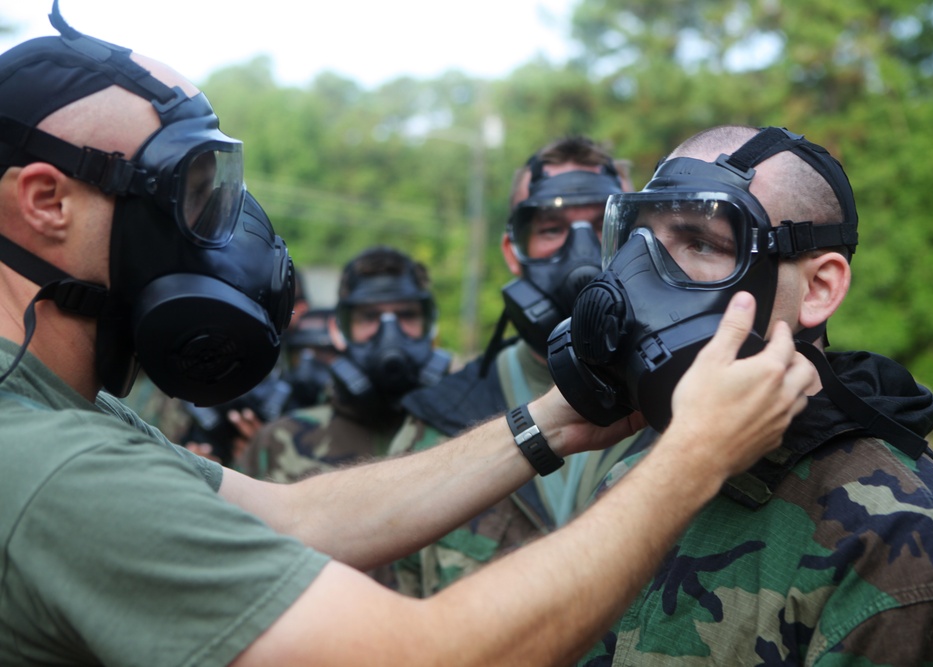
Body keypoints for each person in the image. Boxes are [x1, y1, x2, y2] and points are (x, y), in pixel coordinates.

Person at [0, 12, 815, 666]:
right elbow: (426, 651)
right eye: (188, 193)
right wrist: (694, 456)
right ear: (46, 201)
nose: (217, 234)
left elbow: (290, 519)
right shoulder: (51, 468)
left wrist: (553, 422)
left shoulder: (63, 417)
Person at [554, 125, 933, 665]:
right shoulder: (639, 472)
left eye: (701, 243)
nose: (636, 278)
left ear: (818, 289)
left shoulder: (902, 543)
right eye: (639, 240)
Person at [389, 136, 654, 596]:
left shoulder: (695, 405)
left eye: (602, 225)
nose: (582, 256)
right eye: (551, 229)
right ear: (513, 252)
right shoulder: (437, 423)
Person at [240, 245, 451, 485]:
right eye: (369, 317)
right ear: (337, 329)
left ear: (431, 325)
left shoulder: (470, 434)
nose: (390, 335)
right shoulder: (277, 443)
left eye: (407, 315)